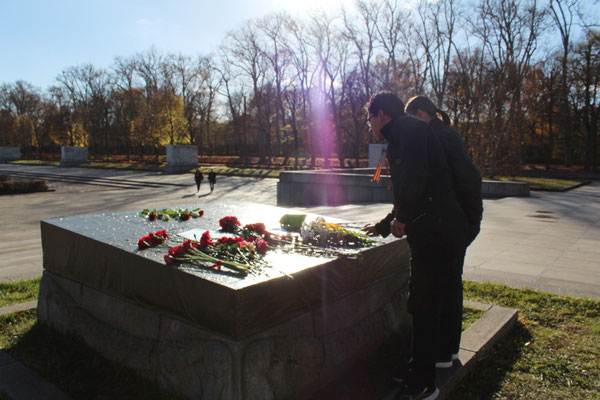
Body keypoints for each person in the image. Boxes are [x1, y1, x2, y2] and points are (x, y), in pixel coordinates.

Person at [362, 91, 470, 400]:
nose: (369, 125)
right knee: (425, 303)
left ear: (381, 114)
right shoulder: (407, 131)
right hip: (439, 228)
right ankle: (420, 367)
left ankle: (424, 383)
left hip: (435, 231)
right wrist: (385, 225)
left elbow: (416, 181)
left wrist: (402, 220)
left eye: (370, 118)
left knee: (423, 304)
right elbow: (410, 187)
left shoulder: (405, 131)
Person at [405, 95, 483, 371]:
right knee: (450, 287)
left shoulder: (442, 136)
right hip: (455, 224)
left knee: (445, 289)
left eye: (410, 118)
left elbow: (469, 179)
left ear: (421, 113)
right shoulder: (442, 133)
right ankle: (447, 351)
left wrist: (470, 224)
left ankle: (443, 351)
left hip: (454, 226)